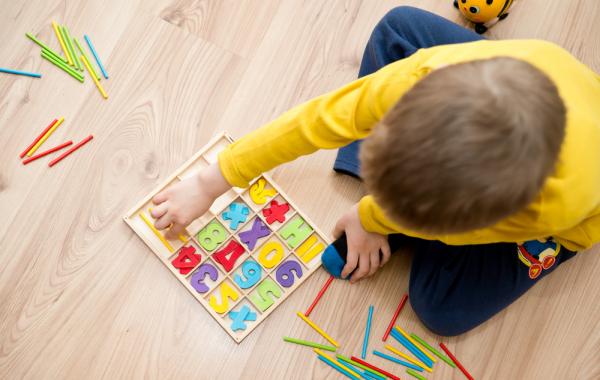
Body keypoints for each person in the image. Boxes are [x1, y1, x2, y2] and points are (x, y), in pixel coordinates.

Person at [149, 7, 600, 335]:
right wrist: (214, 178)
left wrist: (371, 218)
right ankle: (394, 223)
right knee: (397, 28)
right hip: (524, 83)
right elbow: (319, 119)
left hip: (574, 210)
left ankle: (392, 228)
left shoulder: (547, 203)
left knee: (441, 310)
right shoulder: (423, 75)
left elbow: (458, 229)